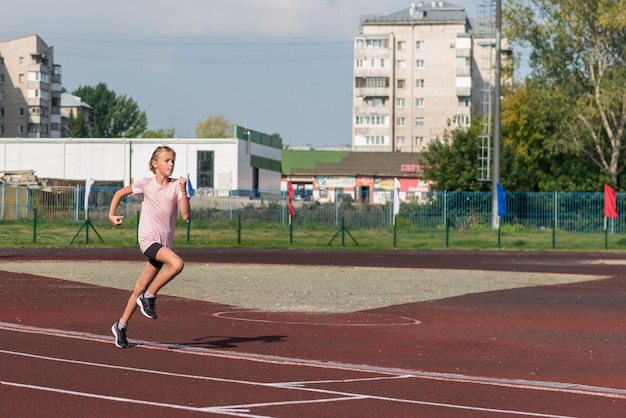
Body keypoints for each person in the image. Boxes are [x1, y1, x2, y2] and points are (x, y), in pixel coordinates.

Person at [108, 145, 191, 348]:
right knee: (177, 264)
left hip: (163, 245)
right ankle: (149, 297)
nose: (171, 164)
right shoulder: (145, 184)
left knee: (139, 287)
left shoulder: (175, 187)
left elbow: (186, 215)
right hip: (148, 240)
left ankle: (121, 325)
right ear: (155, 164)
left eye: (173, 161)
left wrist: (182, 191)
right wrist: (111, 215)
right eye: (166, 160)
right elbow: (119, 193)